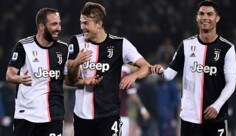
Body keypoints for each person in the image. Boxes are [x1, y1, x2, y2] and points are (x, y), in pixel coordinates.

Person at [150, 1, 236, 136]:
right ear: (197, 17)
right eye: (201, 14)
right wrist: (160, 71)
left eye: (210, 14)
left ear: (217, 18)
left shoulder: (227, 48)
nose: (205, 17)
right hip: (190, 118)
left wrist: (217, 105)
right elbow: (169, 75)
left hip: (216, 117)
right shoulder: (186, 45)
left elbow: (231, 83)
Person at [67, 2, 150, 136]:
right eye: (81, 22)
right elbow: (70, 79)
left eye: (86, 23)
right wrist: (76, 63)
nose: (82, 27)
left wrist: (133, 76)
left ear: (99, 24)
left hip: (109, 115)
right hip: (82, 115)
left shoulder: (120, 44)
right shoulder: (76, 41)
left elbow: (146, 67)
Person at [5, 8, 68, 136]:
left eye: (59, 23)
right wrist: (18, 78)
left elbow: (68, 79)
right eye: (54, 24)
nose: (59, 28)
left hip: (53, 114)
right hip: (26, 114)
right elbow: (10, 73)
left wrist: (76, 65)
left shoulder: (63, 49)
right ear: (41, 26)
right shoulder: (23, 46)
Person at [119, 64, 150, 136]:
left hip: (107, 113)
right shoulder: (127, 76)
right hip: (121, 115)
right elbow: (133, 97)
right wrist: (143, 110)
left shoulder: (113, 72)